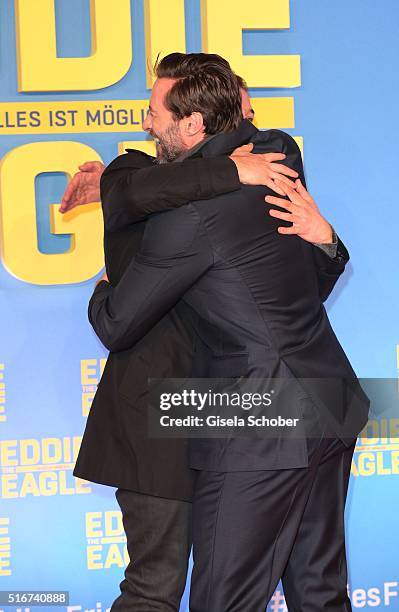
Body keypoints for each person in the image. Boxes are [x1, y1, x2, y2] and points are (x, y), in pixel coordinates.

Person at [87, 52, 369, 611]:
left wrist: (103, 284)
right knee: (318, 592)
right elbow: (290, 289)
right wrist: (325, 241)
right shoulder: (278, 157)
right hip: (331, 399)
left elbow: (118, 323)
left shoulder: (185, 221)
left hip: (260, 417)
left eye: (153, 112)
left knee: (223, 600)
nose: (146, 123)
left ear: (192, 123)